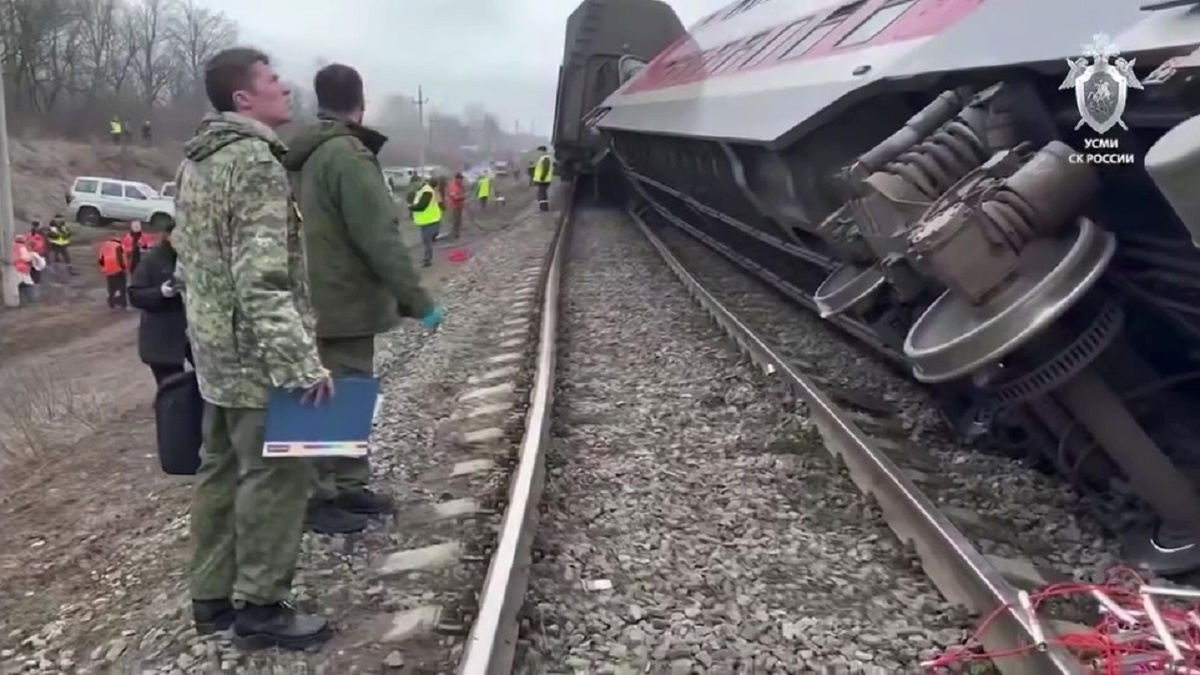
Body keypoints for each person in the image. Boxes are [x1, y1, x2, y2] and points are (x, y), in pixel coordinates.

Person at [174, 46, 334, 650]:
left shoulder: (196, 163)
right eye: (272, 80)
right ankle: (261, 608)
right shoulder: (257, 162)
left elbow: (193, 263)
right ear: (244, 99)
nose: (285, 88)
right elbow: (262, 279)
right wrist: (299, 364)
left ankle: (212, 599)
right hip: (260, 358)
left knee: (219, 474)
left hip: (216, 355)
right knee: (277, 477)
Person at [282, 63, 445, 534]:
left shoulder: (299, 155)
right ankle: (321, 499)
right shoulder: (347, 157)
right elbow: (380, 237)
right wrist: (418, 300)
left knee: (324, 393)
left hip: (310, 296)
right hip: (343, 299)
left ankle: (344, 488)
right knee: (343, 391)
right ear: (360, 103)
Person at [128, 222, 191, 385]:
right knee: (172, 392)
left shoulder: (196, 259)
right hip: (162, 341)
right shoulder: (152, 260)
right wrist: (161, 293)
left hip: (195, 338)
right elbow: (135, 295)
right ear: (168, 236)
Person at [410, 176, 442, 267]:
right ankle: (427, 258)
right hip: (425, 221)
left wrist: (410, 207)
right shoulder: (420, 191)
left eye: (414, 184)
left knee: (427, 241)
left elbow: (422, 206)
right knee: (427, 241)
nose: (414, 187)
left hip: (431, 220)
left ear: (419, 181)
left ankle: (427, 260)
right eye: (412, 185)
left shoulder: (426, 191)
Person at [97, 236, 127, 308]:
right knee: (122, 286)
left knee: (111, 287)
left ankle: (111, 302)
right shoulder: (119, 246)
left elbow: (101, 258)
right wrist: (124, 268)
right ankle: (123, 303)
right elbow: (122, 258)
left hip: (108, 269)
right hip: (117, 268)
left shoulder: (104, 246)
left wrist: (103, 268)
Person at [11, 234, 42, 305]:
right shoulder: (22, 248)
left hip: (13, 267)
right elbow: (25, 258)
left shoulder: (12, 246)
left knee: (16, 285)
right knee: (29, 284)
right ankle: (31, 300)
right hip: (22, 268)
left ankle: (19, 300)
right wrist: (31, 257)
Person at [532, 146, 554, 212]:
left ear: (543, 151)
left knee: (542, 194)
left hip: (544, 180)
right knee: (542, 194)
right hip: (544, 180)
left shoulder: (545, 158)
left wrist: (542, 177)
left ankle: (543, 208)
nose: (538, 153)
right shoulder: (543, 158)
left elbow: (545, 168)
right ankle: (543, 208)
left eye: (539, 151)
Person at [446, 172, 466, 240]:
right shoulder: (453, 186)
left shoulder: (461, 186)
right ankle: (454, 234)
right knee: (455, 220)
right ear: (457, 179)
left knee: (459, 220)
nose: (461, 181)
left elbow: (462, 192)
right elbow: (454, 197)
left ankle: (457, 233)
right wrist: (462, 197)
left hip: (460, 205)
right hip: (453, 206)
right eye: (460, 179)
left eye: (461, 179)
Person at [26, 222, 46, 287]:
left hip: (36, 252)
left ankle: (35, 281)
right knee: (35, 268)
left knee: (36, 267)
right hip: (35, 253)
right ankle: (35, 282)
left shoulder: (32, 234)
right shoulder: (34, 234)